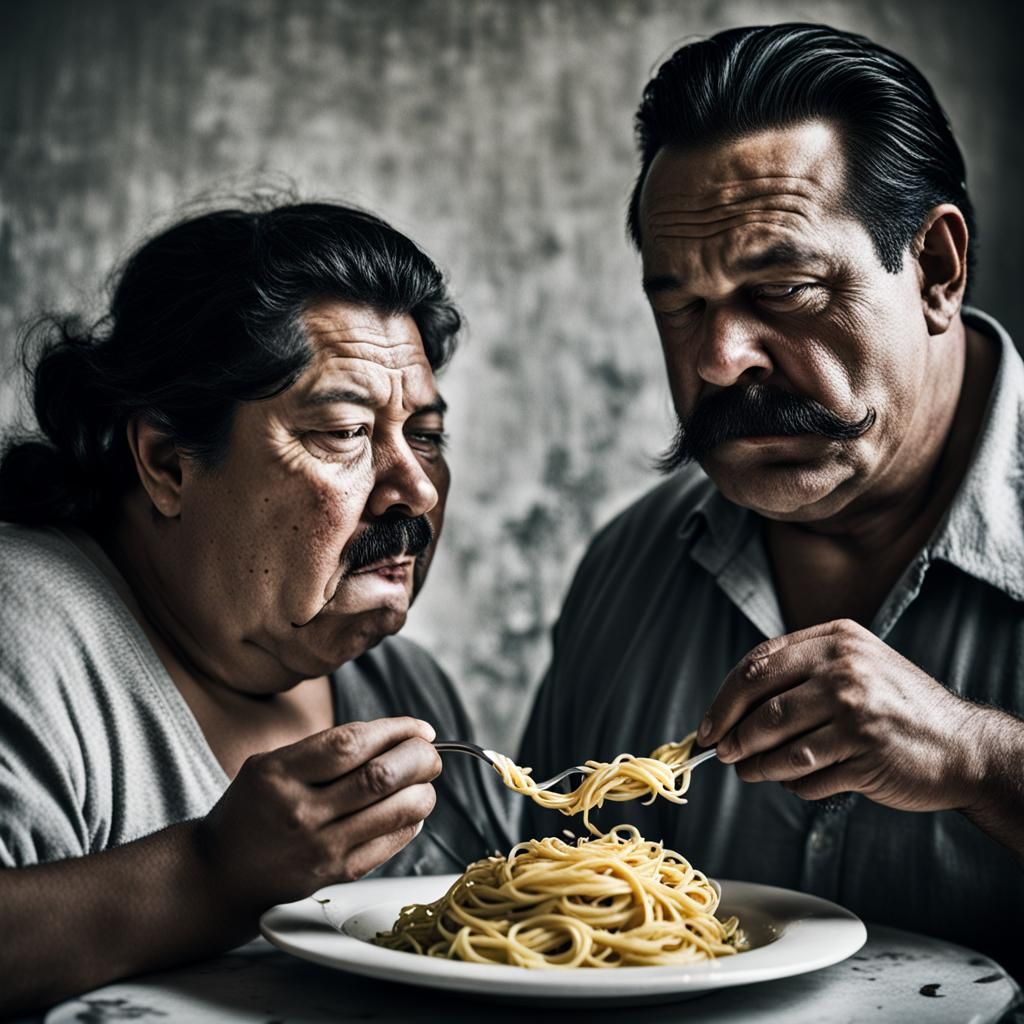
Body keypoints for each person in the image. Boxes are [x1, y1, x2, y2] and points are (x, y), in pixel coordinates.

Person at [519, 23, 1024, 977]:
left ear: (937, 269)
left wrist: (979, 760)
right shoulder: (627, 569)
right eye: (680, 306)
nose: (717, 361)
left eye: (785, 288)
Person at [0, 201, 513, 1014]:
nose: (414, 487)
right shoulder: (24, 628)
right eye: (347, 431)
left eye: (425, 434)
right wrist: (211, 873)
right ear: (168, 461)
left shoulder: (404, 687)